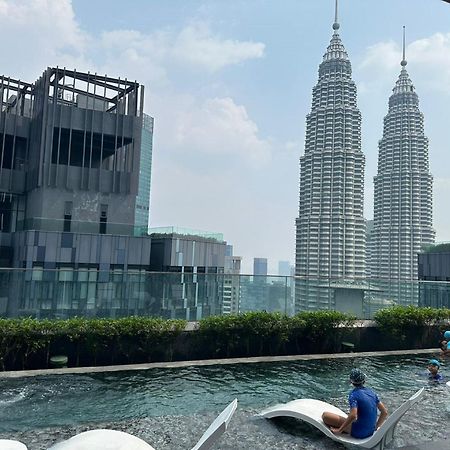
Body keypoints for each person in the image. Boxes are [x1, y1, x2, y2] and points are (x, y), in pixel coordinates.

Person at [322, 368, 388, 439]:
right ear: (364, 380)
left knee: (325, 416)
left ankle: (343, 430)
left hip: (359, 432)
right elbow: (384, 412)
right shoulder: (372, 392)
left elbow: (353, 415)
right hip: (370, 431)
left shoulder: (354, 394)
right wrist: (375, 427)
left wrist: (339, 430)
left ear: (351, 382)